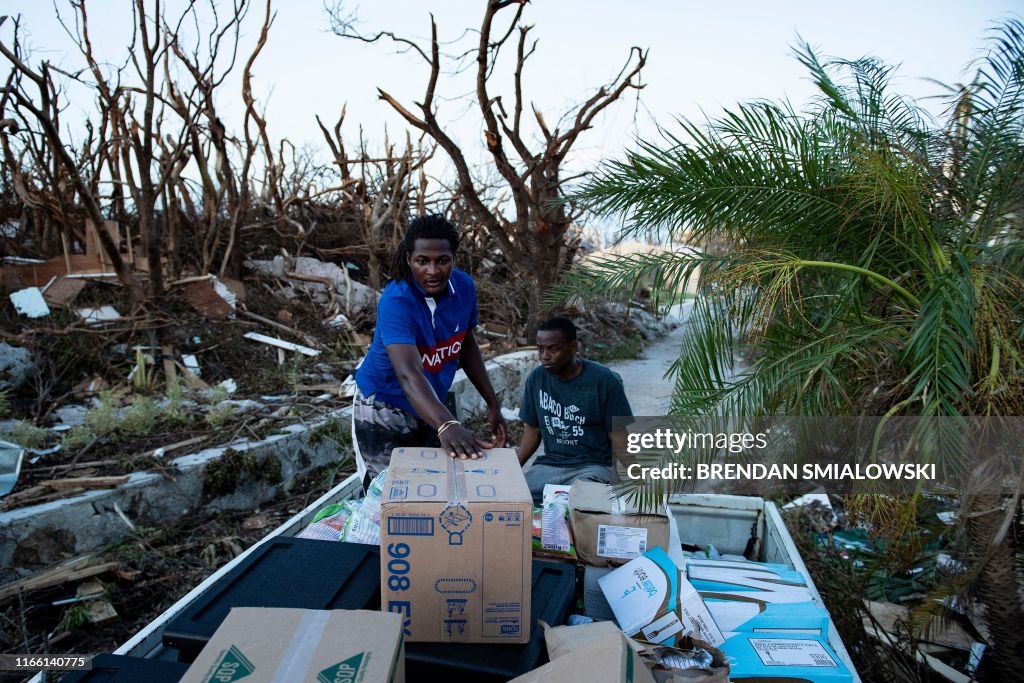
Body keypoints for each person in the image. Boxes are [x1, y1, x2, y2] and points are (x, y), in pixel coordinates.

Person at [352, 215, 507, 486]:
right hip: (384, 407)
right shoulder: (396, 301)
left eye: (442, 260)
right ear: (409, 258)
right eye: (423, 261)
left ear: (454, 258)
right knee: (387, 496)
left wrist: (491, 402)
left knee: (432, 489)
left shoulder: (464, 288)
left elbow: (465, 343)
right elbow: (408, 373)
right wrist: (447, 424)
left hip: (429, 403)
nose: (433, 271)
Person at [517, 316, 633, 505]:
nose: (545, 356)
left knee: (583, 504)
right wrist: (512, 471)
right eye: (540, 349)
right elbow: (533, 429)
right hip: (549, 466)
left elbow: (619, 435)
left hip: (592, 467)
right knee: (517, 501)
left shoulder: (604, 380)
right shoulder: (537, 378)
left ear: (573, 347)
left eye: (553, 349)